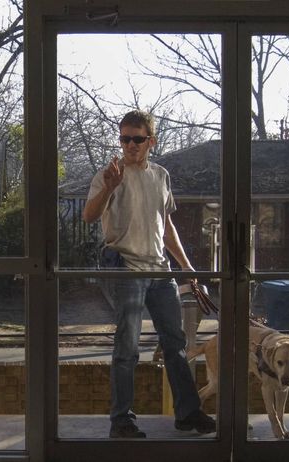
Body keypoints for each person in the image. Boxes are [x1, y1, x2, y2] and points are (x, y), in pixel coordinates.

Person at [83, 110, 216, 438]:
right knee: (127, 346)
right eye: (124, 138)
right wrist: (109, 188)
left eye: (137, 139)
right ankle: (122, 421)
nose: (130, 144)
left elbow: (165, 225)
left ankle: (187, 414)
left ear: (150, 141)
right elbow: (89, 215)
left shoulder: (160, 175)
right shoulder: (109, 175)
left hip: (160, 271)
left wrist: (187, 268)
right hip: (127, 268)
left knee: (176, 343)